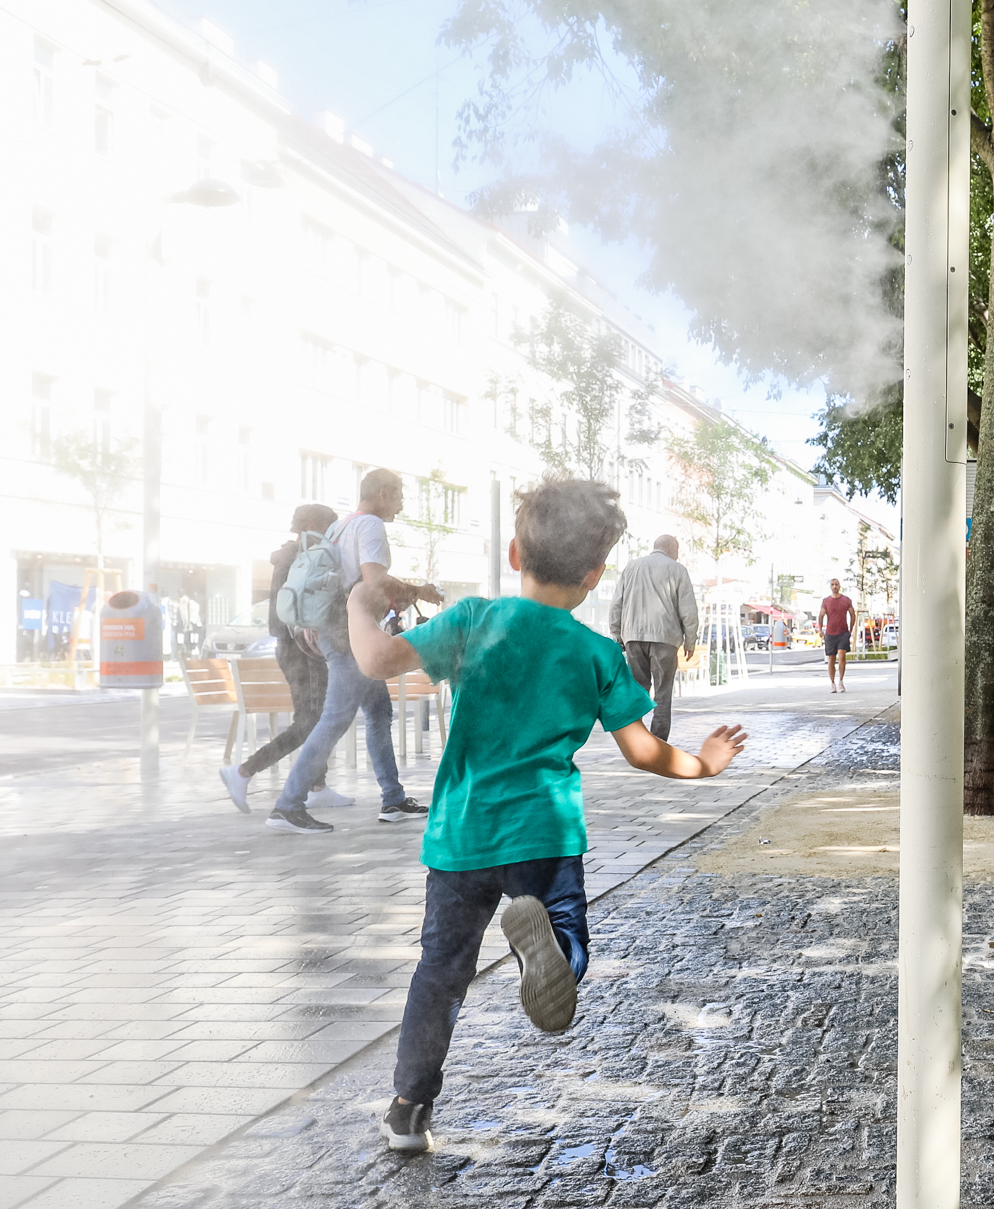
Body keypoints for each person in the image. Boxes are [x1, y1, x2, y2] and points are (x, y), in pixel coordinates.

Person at [345, 477, 747, 1152]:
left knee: (440, 971)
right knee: (567, 937)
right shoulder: (596, 652)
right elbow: (643, 751)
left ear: (514, 553)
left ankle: (409, 1109)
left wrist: (360, 603)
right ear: (594, 575)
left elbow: (377, 659)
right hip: (545, 832)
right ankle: (555, 954)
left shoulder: (473, 620)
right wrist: (704, 764)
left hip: (464, 832)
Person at [265, 469, 442, 834]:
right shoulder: (370, 526)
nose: (401, 505)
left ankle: (393, 799)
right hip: (350, 633)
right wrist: (418, 591)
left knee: (378, 711)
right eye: (399, 497)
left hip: (334, 629)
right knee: (334, 718)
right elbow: (374, 581)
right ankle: (287, 805)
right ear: (382, 493)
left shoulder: (339, 527)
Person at [219, 503, 349, 812]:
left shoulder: (291, 555)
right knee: (309, 721)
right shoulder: (306, 556)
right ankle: (243, 772)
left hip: (291, 645)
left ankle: (317, 786)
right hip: (302, 647)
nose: (332, 534)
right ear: (313, 525)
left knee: (314, 717)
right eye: (329, 527)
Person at [608, 534, 698, 743]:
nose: (678, 555)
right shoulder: (678, 570)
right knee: (663, 694)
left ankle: (635, 740)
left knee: (637, 692)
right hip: (665, 638)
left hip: (633, 636)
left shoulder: (631, 567)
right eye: (677, 550)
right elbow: (688, 610)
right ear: (670, 548)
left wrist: (617, 633)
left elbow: (616, 603)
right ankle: (658, 742)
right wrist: (690, 640)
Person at [819, 577, 854, 693]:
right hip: (830, 633)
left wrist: (851, 629)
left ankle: (841, 681)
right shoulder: (826, 601)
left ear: (839, 586)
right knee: (831, 659)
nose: (834, 586)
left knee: (842, 655)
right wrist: (820, 629)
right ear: (830, 587)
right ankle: (832, 683)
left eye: (836, 584)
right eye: (833, 584)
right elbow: (821, 615)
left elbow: (852, 614)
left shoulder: (846, 600)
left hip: (843, 632)